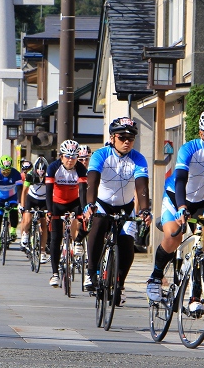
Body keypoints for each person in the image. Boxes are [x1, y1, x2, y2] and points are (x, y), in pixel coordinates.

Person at [146, 109, 204, 315]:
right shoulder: (188, 149)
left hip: (202, 203)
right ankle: (155, 277)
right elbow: (180, 180)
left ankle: (196, 296)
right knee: (174, 235)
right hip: (176, 198)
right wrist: (181, 207)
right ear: (202, 134)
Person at [83, 117, 151, 307]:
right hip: (103, 203)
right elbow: (92, 183)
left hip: (125, 206)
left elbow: (142, 187)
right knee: (98, 225)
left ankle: (119, 285)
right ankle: (91, 272)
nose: (127, 141)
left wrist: (144, 210)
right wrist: (90, 205)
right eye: (122, 137)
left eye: (131, 138)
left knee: (127, 244)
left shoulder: (138, 158)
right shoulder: (101, 155)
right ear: (112, 138)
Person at [45, 140, 88, 287]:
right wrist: (49, 211)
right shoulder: (53, 168)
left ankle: (77, 241)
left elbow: (82, 192)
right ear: (61, 156)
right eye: (67, 157)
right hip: (57, 203)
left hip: (74, 202)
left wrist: (83, 212)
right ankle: (55, 274)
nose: (70, 160)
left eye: (74, 157)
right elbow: (48, 191)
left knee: (88, 219)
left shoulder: (81, 168)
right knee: (55, 238)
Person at [0, 155, 24, 255]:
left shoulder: (16, 174)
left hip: (12, 196)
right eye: (4, 170)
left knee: (13, 210)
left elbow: (20, 189)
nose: (6, 172)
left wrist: (20, 202)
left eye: (8, 170)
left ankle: (13, 230)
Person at [20, 156, 50, 263]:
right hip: (31, 198)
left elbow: (54, 191)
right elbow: (24, 191)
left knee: (44, 226)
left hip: (44, 200)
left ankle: (42, 252)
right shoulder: (30, 175)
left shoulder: (49, 175)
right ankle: (25, 234)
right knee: (27, 219)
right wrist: (23, 206)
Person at [17, 158, 33, 249]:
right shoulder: (20, 176)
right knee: (24, 219)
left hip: (32, 197)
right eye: (25, 170)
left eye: (28, 170)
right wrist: (20, 203)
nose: (26, 172)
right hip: (24, 197)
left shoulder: (33, 175)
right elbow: (19, 190)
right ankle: (23, 236)